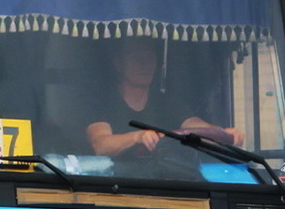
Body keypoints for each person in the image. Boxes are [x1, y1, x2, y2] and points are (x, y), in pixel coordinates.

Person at [86, 36, 243, 158]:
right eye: (136, 58)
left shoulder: (167, 103)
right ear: (118, 64)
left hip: (165, 182)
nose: (144, 64)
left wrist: (224, 134)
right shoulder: (101, 103)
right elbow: (101, 145)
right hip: (116, 186)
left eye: (149, 58)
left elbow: (196, 125)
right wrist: (138, 137)